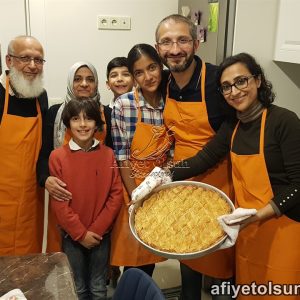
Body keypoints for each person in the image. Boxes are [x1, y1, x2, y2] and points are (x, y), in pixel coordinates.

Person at [167, 53, 300, 299]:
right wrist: (163, 176)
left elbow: (298, 185)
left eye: (241, 81)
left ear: (258, 80)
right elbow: (203, 159)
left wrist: (259, 215)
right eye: (226, 87)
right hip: (248, 232)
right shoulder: (233, 126)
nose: (235, 91)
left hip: (285, 230)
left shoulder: (284, 121)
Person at [155, 14, 235, 299]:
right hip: (183, 187)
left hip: (219, 182)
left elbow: (222, 143)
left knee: (219, 265)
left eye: (183, 40)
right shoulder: (164, 82)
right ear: (158, 48)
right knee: (187, 255)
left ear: (197, 43)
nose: (175, 49)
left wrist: (169, 174)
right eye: (166, 41)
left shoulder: (217, 81)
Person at [49, 99, 123, 300]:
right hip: (72, 237)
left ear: (97, 123)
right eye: (76, 119)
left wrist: (96, 230)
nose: (82, 124)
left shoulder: (108, 155)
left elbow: (116, 195)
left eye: (88, 118)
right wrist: (80, 234)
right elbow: (59, 202)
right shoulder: (57, 157)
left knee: (99, 287)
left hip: (101, 235)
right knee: (77, 288)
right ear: (68, 123)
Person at [110, 44, 172, 277]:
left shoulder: (171, 102)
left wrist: (157, 184)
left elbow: (173, 151)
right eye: (139, 72)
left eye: (152, 67)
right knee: (133, 255)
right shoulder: (123, 105)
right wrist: (137, 194)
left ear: (161, 65)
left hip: (160, 186)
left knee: (151, 253)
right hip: (132, 186)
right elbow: (122, 156)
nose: (148, 77)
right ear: (133, 76)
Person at [37, 61, 113, 251]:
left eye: (90, 79)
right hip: (65, 201)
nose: (84, 84)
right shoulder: (55, 113)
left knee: (100, 268)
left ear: (97, 83)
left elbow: (112, 159)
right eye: (78, 79)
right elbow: (45, 153)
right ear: (70, 82)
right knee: (67, 262)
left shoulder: (108, 114)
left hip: (98, 203)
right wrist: (45, 179)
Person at [0, 35, 48, 255]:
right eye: (25, 58)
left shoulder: (41, 96)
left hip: (31, 197)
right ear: (9, 61)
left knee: (27, 262)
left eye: (38, 60)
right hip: (2, 196)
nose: (32, 66)